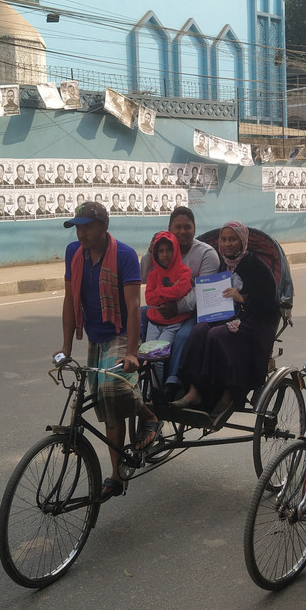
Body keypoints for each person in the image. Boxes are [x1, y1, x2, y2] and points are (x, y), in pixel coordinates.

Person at [58, 201, 158, 498]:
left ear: (104, 227)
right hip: (94, 334)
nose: (81, 233)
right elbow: (68, 300)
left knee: (112, 389)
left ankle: (148, 414)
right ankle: (117, 475)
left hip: (118, 331)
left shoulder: (125, 256)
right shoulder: (73, 253)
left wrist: (131, 352)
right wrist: (65, 348)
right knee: (106, 405)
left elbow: (132, 307)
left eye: (87, 227)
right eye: (77, 227)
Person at [173, 221, 278, 426]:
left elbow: (269, 306)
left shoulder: (256, 267)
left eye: (233, 239)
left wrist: (242, 298)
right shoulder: (221, 263)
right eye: (223, 239)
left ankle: (228, 393)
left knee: (217, 335)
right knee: (198, 331)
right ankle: (194, 390)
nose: (227, 244)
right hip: (225, 315)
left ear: (242, 241)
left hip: (253, 320)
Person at [138, 206, 221, 395]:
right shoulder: (162, 250)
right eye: (178, 227)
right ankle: (140, 367)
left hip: (195, 309)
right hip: (163, 306)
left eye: (187, 227)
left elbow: (202, 291)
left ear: (194, 229)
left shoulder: (206, 254)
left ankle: (173, 379)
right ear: (169, 230)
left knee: (184, 335)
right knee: (137, 315)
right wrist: (151, 251)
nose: (183, 232)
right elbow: (143, 277)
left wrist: (176, 307)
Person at [144, 231, 193, 347]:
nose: (165, 254)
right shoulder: (153, 275)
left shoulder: (184, 271)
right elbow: (149, 299)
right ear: (155, 254)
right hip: (154, 321)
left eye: (169, 250)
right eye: (161, 251)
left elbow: (180, 291)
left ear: (175, 250)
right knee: (148, 353)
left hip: (174, 322)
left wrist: (158, 291)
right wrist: (171, 291)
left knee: (159, 355)